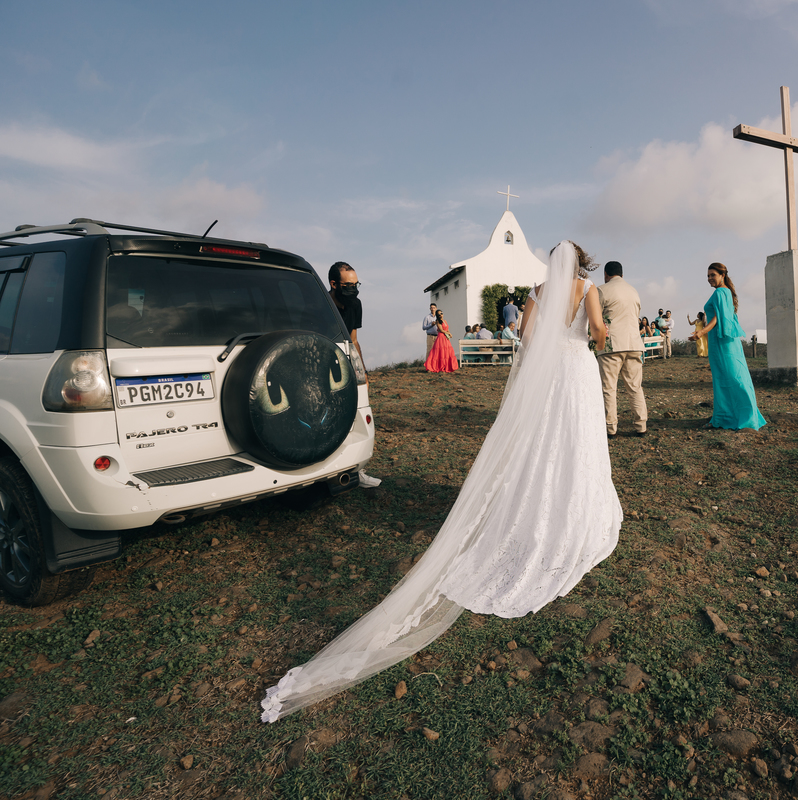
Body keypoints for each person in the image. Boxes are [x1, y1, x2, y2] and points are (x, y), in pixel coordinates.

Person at [261, 240, 621, 723]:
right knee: (575, 441)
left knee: (540, 445)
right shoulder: (588, 288)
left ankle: (532, 503)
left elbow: (529, 337)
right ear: (580, 264)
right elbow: (598, 330)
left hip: (552, 371)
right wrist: (594, 335)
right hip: (576, 370)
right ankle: (575, 506)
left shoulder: (537, 290)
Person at [690, 263, 766, 431]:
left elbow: (716, 319)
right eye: (708, 276)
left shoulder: (720, 292)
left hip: (722, 341)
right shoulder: (727, 292)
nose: (709, 279)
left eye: (713, 275)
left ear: (722, 275)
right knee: (733, 378)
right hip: (727, 341)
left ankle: (733, 417)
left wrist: (701, 332)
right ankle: (730, 415)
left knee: (729, 379)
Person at [329, 262, 381, 487]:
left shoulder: (356, 304)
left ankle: (356, 471)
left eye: (355, 284)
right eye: (347, 285)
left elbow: (354, 339)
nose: (353, 289)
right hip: (325, 360)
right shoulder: (320, 304)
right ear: (334, 284)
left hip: (347, 359)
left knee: (356, 418)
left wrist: (362, 373)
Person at [597, 261, 648, 438]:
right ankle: (641, 425)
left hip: (612, 345)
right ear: (622, 275)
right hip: (634, 344)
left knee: (609, 388)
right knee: (635, 387)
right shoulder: (633, 291)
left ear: (605, 274)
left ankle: (611, 427)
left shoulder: (602, 290)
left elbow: (596, 317)